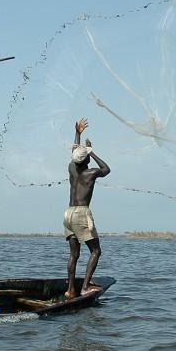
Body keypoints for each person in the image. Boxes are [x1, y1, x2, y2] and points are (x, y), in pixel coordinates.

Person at [64, 118, 110, 299]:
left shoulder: (71, 168)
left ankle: (70, 290)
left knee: (74, 254)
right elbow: (106, 169)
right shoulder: (90, 174)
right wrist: (92, 151)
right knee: (96, 251)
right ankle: (84, 286)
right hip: (82, 213)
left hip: (68, 213)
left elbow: (74, 152)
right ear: (87, 159)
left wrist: (78, 133)